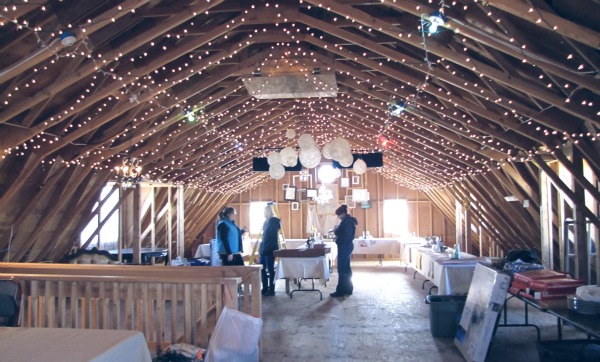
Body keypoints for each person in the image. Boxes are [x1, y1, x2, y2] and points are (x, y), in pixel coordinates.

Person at [331, 204, 358, 297]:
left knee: (341, 270)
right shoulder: (348, 221)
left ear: (343, 214)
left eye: (339, 215)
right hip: (346, 246)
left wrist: (336, 230)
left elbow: (345, 235)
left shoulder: (347, 222)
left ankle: (340, 291)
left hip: (344, 246)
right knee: (346, 269)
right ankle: (348, 289)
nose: (338, 217)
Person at [259, 205, 281, 296]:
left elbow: (273, 237)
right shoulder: (266, 222)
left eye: (265, 212)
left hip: (270, 248)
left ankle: (271, 289)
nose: (264, 214)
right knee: (262, 269)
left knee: (271, 269)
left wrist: (269, 248)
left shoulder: (274, 221)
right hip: (264, 248)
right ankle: (265, 288)